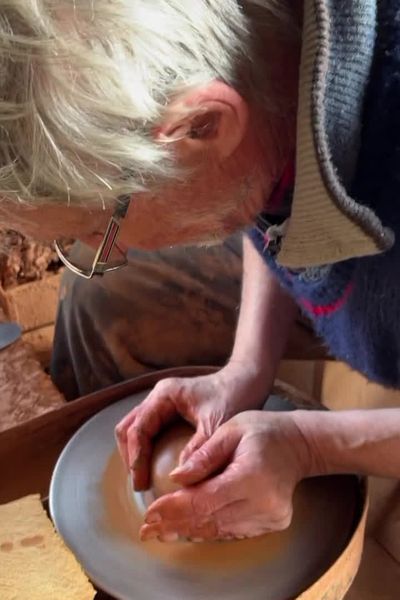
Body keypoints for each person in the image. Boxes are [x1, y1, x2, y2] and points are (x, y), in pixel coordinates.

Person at [0, 0, 399, 543]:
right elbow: (262, 182)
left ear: (201, 123)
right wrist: (246, 368)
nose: (98, 249)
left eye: (97, 228)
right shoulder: (268, 62)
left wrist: (309, 443)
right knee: (104, 301)